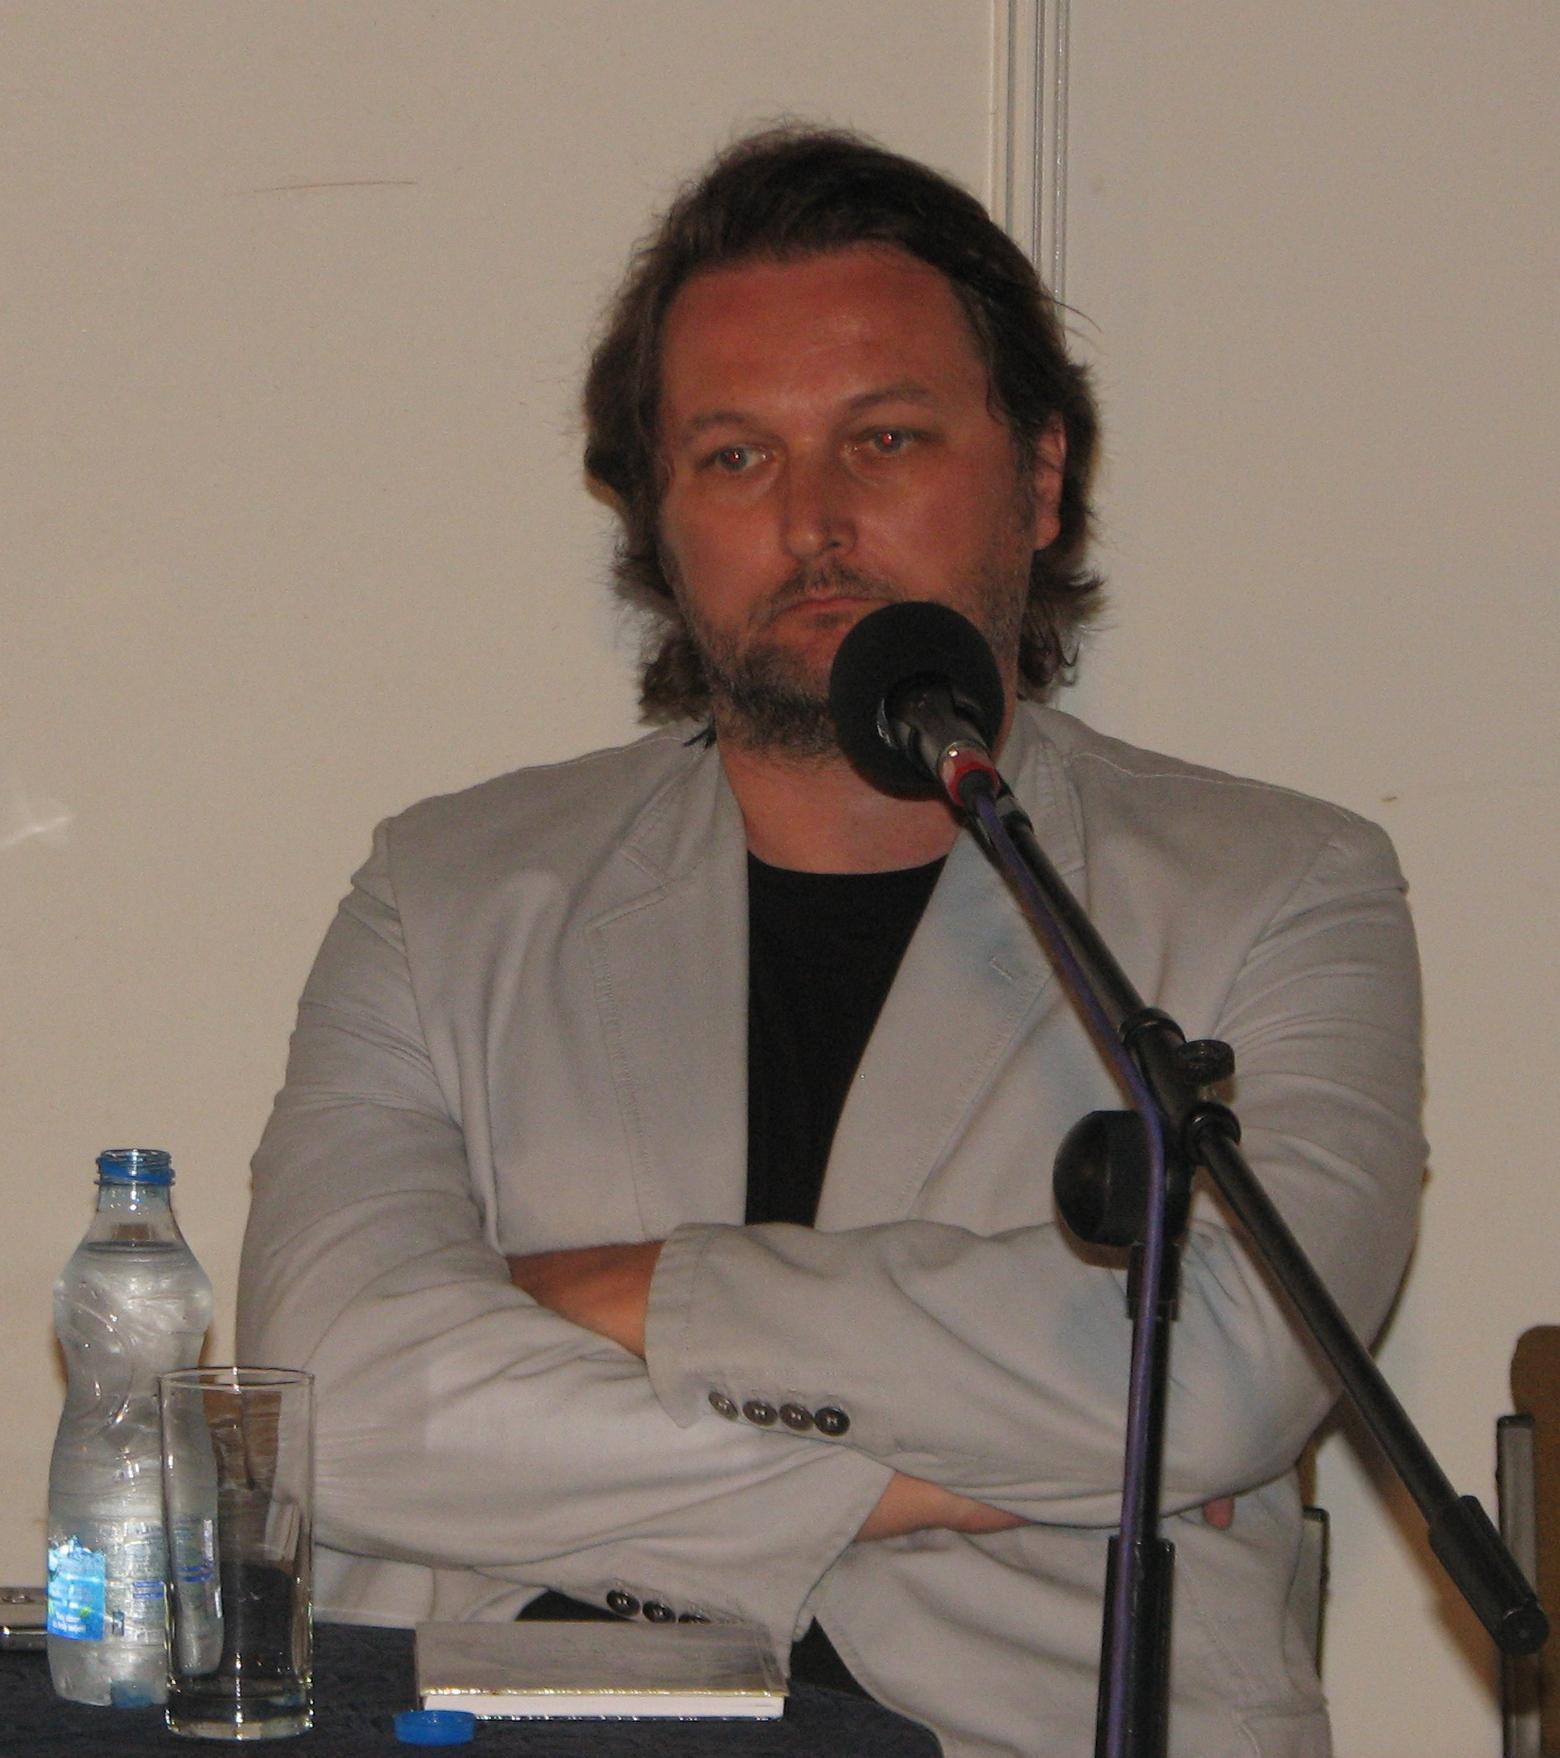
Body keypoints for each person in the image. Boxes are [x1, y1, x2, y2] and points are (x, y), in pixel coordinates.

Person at [237, 128, 1424, 1757]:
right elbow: (340, 1408)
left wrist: (645, 1293)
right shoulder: (442, 895)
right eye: (735, 456)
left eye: (886, 438)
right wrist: (924, 1476)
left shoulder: (1276, 887)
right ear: (658, 519)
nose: (815, 519)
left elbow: (1217, 1374)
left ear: (1040, 476)